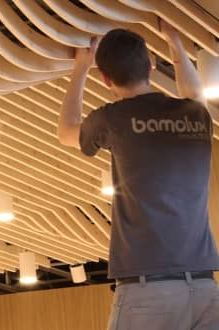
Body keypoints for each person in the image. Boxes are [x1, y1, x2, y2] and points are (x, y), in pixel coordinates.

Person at [57, 20, 219, 330]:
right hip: (203, 288)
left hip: (148, 289)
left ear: (105, 78)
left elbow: (66, 131)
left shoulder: (115, 118)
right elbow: (193, 93)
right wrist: (175, 41)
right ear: (151, 65)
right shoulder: (196, 115)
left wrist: (79, 69)